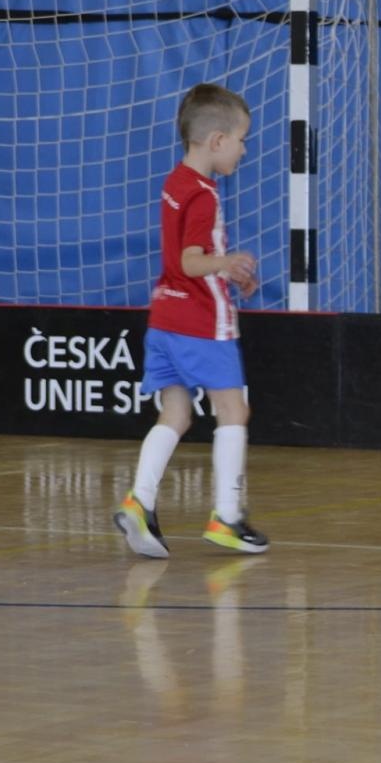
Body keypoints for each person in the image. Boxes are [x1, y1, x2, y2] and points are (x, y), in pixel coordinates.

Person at [114, 83, 268, 558]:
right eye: (242, 139)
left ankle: (140, 500)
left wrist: (225, 267)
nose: (244, 149)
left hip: (163, 317)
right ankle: (226, 515)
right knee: (233, 411)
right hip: (201, 322)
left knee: (175, 415)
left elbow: (181, 262)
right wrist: (225, 263)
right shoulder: (203, 194)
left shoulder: (174, 182)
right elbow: (192, 260)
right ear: (216, 140)